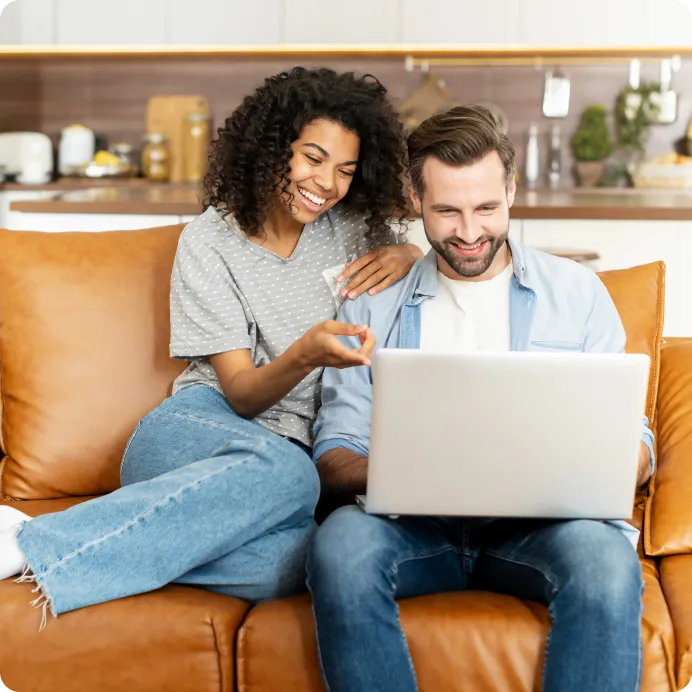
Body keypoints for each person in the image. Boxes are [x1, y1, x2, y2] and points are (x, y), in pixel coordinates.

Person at [0, 67, 423, 627]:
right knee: (295, 476)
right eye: (312, 157)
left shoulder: (352, 229)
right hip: (198, 433)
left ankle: (143, 535)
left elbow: (449, 255)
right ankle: (33, 541)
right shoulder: (210, 241)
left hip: (273, 476)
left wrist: (411, 257)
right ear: (274, 146)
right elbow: (244, 395)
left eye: (345, 170)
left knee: (293, 563)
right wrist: (305, 353)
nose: (326, 183)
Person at [307, 105, 655, 692]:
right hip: (414, 531)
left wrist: (606, 465)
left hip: (539, 531)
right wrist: (405, 473)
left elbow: (637, 444)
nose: (469, 233)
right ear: (415, 199)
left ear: (512, 191)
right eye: (446, 211)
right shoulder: (370, 304)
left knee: (604, 560)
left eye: (486, 208)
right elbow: (334, 448)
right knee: (339, 545)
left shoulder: (579, 294)